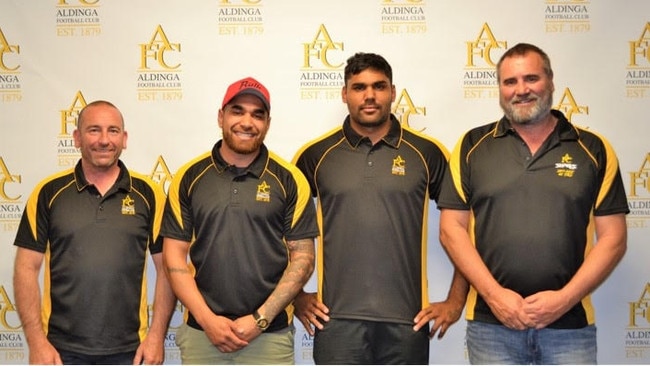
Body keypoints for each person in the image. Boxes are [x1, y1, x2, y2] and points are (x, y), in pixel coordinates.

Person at [438, 43, 629, 364]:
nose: (521, 90)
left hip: (569, 327)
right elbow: (451, 230)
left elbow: (613, 239)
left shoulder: (593, 149)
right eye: (510, 82)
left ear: (551, 81)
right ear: (499, 88)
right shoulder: (472, 146)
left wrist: (564, 300)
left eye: (531, 79)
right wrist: (496, 297)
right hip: (491, 327)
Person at [292, 52, 468, 364]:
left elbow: (464, 229)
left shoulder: (428, 153)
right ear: (345, 94)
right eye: (359, 87)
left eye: (379, 86)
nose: (370, 95)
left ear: (392, 92)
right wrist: (297, 296)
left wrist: (456, 300)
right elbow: (279, 229)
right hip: (336, 324)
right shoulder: (315, 155)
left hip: (407, 322)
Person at [161, 76, 318, 364]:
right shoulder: (188, 177)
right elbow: (173, 258)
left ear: (268, 123)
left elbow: (303, 258)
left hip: (269, 338)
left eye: (258, 115)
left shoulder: (291, 180)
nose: (247, 122)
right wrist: (207, 320)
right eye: (238, 111)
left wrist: (260, 320)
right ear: (221, 116)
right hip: (201, 335)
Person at [12, 100, 176, 365]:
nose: (104, 140)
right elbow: (25, 268)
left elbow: (169, 269)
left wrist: (156, 337)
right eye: (93, 130)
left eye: (113, 131)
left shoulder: (149, 195)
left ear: (124, 139)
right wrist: (36, 342)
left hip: (130, 351)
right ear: (76, 138)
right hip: (60, 351)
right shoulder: (48, 193)